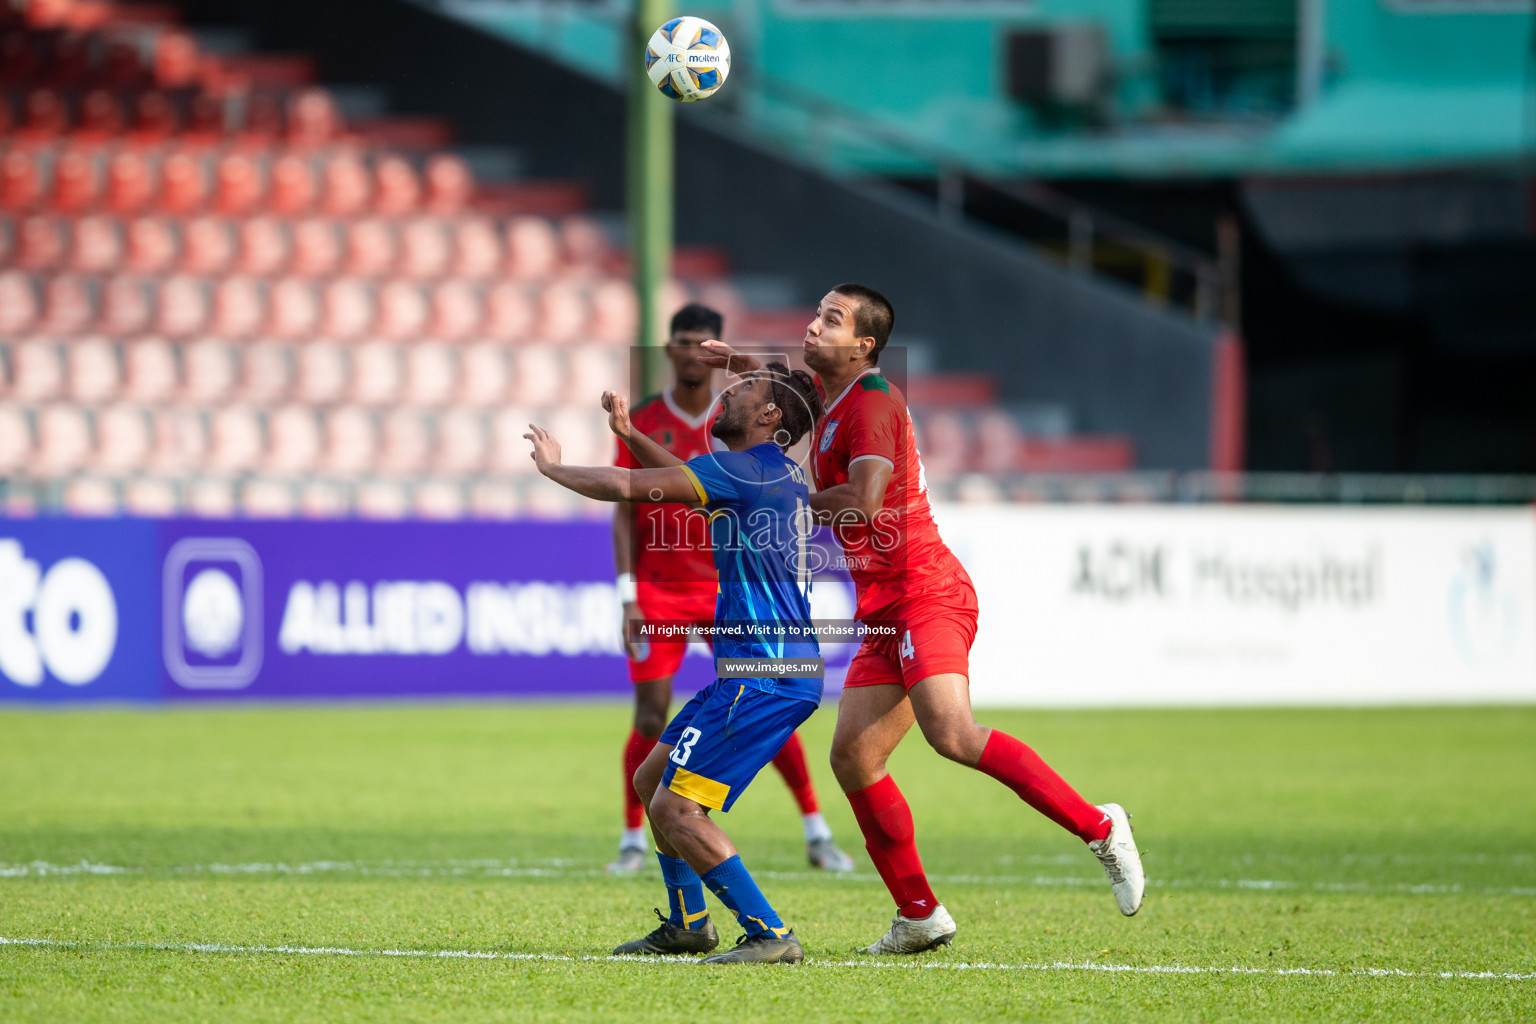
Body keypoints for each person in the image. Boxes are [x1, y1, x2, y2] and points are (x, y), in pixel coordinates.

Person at [699, 285, 1145, 955]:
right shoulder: (835, 396)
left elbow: (867, 497)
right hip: (883, 604)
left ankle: (1100, 828)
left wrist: (784, 503)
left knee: (952, 732)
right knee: (853, 756)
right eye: (817, 313)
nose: (813, 325)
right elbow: (782, 387)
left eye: (830, 319)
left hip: (924, 589)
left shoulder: (873, 403)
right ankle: (919, 915)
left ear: (864, 346)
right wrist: (738, 363)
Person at [525, 363, 827, 965]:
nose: (728, 392)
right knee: (650, 780)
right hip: (760, 671)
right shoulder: (774, 472)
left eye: (744, 390)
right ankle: (690, 925)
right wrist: (635, 434)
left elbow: (629, 488)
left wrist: (554, 469)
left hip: (766, 675)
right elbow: (681, 478)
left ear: (769, 417)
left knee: (675, 808)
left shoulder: (742, 470)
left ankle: (770, 933)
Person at [608, 303, 853, 874]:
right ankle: (632, 840)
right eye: (683, 341)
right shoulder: (655, 417)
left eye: (705, 343)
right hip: (663, 588)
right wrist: (627, 591)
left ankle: (814, 828)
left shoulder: (739, 422)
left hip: (731, 591)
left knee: (755, 695)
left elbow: (796, 398)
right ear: (669, 350)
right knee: (653, 717)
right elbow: (629, 499)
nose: (693, 352)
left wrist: (555, 470)